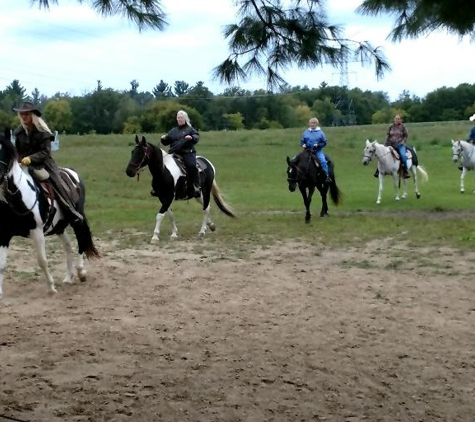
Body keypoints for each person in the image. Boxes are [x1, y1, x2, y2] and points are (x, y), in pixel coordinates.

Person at [13, 101, 83, 223]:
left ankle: (70, 210)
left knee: (58, 184)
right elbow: (17, 151)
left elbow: (46, 152)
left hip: (43, 165)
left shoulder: (43, 132)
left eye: (26, 114)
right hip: (23, 165)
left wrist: (31, 158)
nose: (24, 117)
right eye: (22, 114)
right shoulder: (19, 132)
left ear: (33, 115)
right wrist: (17, 160)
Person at [161, 110, 201, 198]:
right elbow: (167, 141)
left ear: (185, 119)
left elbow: (197, 136)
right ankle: (159, 187)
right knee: (162, 165)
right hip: (174, 153)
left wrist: (191, 137)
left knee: (191, 166)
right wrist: (163, 138)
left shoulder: (190, 129)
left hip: (187, 153)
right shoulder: (173, 130)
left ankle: (196, 186)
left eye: (181, 117)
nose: (179, 119)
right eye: (178, 117)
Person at [300, 117, 331, 183]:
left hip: (317, 151)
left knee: (323, 161)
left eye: (314, 123)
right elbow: (302, 141)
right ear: (309, 124)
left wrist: (318, 145)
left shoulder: (321, 133)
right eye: (311, 123)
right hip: (307, 150)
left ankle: (326, 176)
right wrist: (303, 144)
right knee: (298, 159)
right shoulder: (306, 132)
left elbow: (324, 142)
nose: (312, 124)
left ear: (316, 124)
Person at [383, 114, 410, 179]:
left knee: (403, 155)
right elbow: (387, 135)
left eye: (398, 119)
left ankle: (404, 171)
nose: (397, 120)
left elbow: (406, 136)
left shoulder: (403, 127)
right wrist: (386, 142)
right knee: (382, 154)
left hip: (400, 144)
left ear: (401, 120)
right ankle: (379, 170)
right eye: (396, 119)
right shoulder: (391, 126)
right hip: (390, 144)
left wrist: (402, 142)